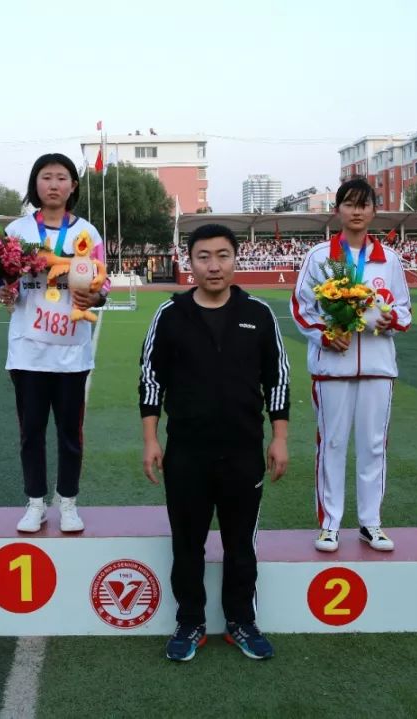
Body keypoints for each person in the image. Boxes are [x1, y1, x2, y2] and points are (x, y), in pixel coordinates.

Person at [139, 223, 290, 662]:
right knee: (187, 543)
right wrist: (151, 439)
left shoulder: (258, 314)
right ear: (190, 262)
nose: (214, 265)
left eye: (222, 255)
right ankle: (190, 622)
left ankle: (241, 620)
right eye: (204, 256)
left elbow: (277, 380)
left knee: (240, 543)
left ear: (236, 259)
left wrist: (279, 438)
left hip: (244, 451)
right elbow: (150, 379)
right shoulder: (169, 315)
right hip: (186, 452)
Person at [291, 178, 412, 554]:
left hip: (378, 366)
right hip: (332, 366)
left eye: (364, 204)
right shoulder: (319, 258)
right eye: (349, 204)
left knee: (374, 446)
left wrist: (391, 320)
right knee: (332, 443)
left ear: (374, 210)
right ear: (337, 210)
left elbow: (405, 310)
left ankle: (370, 523)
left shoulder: (389, 260)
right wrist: (324, 335)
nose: (357, 211)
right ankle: (329, 525)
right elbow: (300, 308)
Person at [0, 153, 110, 533]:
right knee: (31, 432)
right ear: (36, 184)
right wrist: (4, 294)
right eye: (47, 177)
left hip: (72, 351)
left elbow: (103, 283)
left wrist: (94, 297)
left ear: (73, 185)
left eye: (62, 177)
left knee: (69, 433)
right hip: (27, 350)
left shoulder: (88, 234)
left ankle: (69, 503)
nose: (55, 184)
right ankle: (34, 503)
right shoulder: (17, 231)